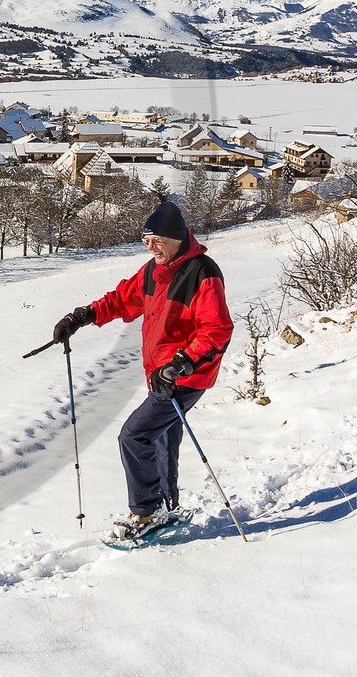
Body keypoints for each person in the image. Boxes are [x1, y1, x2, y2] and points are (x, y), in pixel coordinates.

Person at [53, 199, 233, 539]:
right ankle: (167, 505)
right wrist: (81, 317)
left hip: (185, 375)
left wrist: (182, 363)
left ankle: (146, 512)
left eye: (157, 240)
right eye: (146, 240)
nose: (151, 247)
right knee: (163, 436)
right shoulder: (152, 271)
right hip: (160, 374)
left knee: (134, 436)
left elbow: (217, 330)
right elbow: (122, 299)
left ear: (176, 238)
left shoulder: (202, 273)